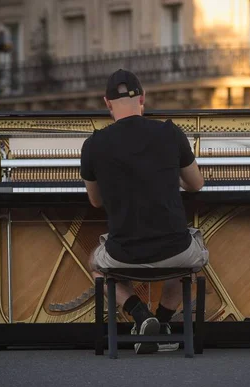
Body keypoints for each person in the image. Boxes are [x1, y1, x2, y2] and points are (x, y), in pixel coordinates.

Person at [80, 69, 209, 354]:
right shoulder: (170, 132)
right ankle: (162, 324)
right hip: (174, 249)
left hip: (123, 252)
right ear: (143, 99)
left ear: (107, 103)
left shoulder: (93, 144)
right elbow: (196, 184)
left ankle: (141, 315)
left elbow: (96, 201)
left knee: (94, 264)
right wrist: (166, 176)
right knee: (188, 259)